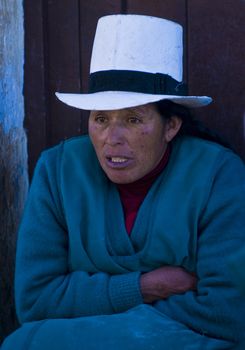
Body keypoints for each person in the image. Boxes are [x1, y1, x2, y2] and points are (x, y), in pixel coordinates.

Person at [2, 14, 245, 350]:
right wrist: (145, 287)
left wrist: (98, 317)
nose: (111, 139)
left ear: (171, 126)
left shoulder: (219, 175)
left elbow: (227, 313)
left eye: (132, 119)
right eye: (100, 118)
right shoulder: (58, 171)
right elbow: (35, 300)